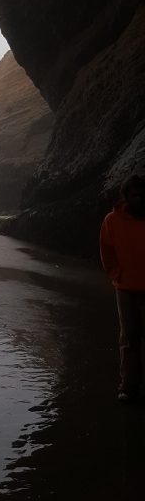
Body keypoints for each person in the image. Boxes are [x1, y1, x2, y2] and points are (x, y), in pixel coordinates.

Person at [99, 171, 145, 403]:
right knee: (128, 338)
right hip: (125, 289)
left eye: (142, 195)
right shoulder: (112, 220)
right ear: (126, 196)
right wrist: (117, 274)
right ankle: (128, 386)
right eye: (135, 195)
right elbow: (106, 250)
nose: (139, 199)